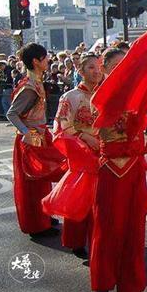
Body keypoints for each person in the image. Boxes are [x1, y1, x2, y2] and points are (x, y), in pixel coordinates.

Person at [89, 48, 147, 292]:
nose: (123, 69)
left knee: (135, 229)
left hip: (135, 167)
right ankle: (102, 284)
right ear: (105, 69)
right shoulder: (100, 98)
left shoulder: (137, 95)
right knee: (108, 227)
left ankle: (129, 287)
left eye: (126, 65)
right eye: (116, 65)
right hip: (112, 169)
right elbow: (103, 133)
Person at [6, 43, 65, 237]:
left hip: (38, 134)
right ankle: (37, 224)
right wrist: (26, 132)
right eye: (45, 58)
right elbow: (12, 114)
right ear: (36, 61)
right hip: (32, 137)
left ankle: (44, 217)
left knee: (43, 179)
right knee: (33, 183)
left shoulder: (35, 81)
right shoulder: (30, 86)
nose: (48, 60)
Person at [52, 53, 103, 258]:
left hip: (104, 151)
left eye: (99, 66)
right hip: (80, 152)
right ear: (80, 71)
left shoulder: (107, 93)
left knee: (100, 200)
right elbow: (62, 125)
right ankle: (76, 240)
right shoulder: (70, 97)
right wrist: (85, 137)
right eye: (91, 67)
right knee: (79, 198)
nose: (96, 71)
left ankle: (98, 239)